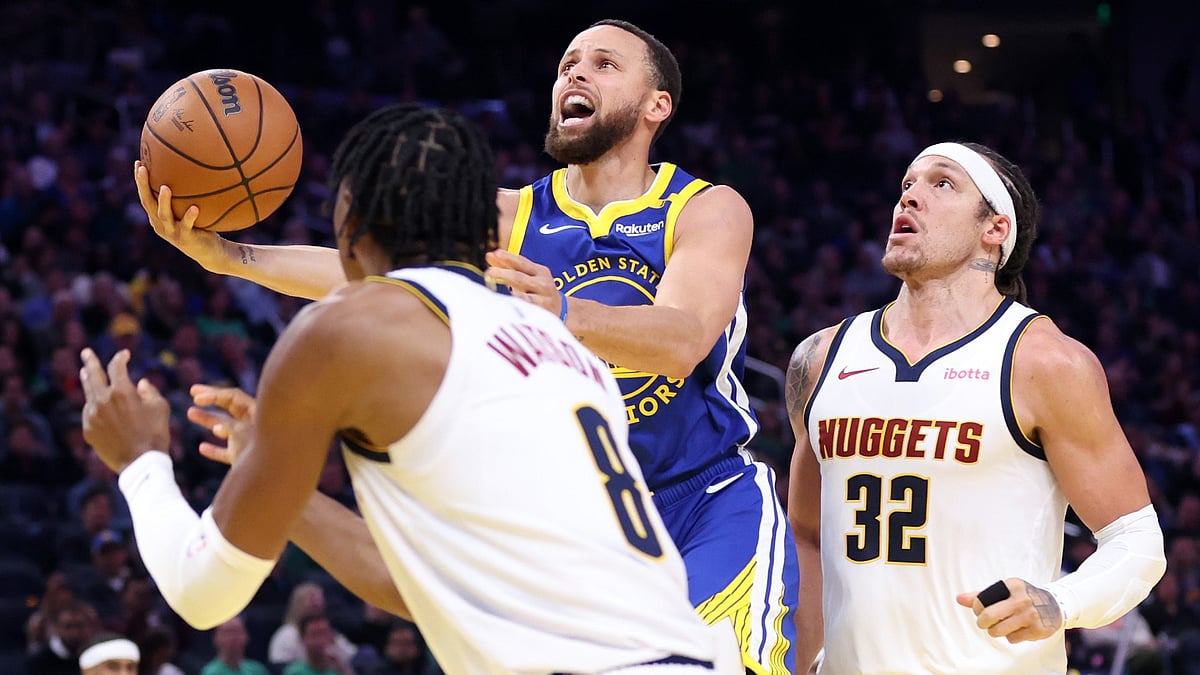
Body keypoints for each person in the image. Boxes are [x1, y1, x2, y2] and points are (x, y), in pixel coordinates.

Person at [133, 19, 796, 673]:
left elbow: (681, 341)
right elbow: (386, 276)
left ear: (658, 106)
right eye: (569, 61)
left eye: (603, 63)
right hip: (579, 521)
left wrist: (564, 308)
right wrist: (233, 257)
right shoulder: (511, 216)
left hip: (706, 499)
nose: (576, 71)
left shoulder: (705, 207)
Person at [784, 141, 1167, 673]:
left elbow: (1138, 541)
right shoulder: (822, 356)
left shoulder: (1044, 362)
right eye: (907, 185)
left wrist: (1060, 602)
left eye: (942, 184)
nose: (911, 197)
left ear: (995, 229)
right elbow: (805, 535)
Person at [200, 615, 271, 675]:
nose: (233, 638)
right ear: (216, 638)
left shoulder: (257, 670)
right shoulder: (211, 672)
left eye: (237, 632)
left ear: (246, 637)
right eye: (227, 632)